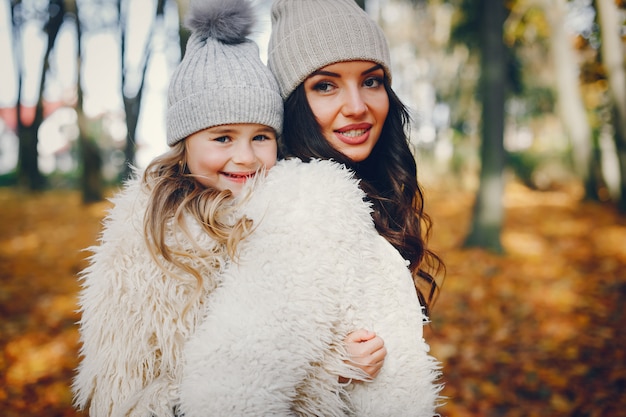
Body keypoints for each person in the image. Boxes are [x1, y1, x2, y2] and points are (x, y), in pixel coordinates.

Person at [71, 1, 383, 416]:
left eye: (261, 137)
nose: (246, 158)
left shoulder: (284, 213)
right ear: (185, 146)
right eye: (222, 138)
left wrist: (336, 366)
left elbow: (287, 345)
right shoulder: (149, 237)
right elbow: (121, 390)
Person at [179, 0, 443, 416]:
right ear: (292, 102)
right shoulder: (297, 209)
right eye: (326, 85)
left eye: (371, 81)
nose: (357, 105)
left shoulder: (365, 194)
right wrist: (329, 374)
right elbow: (234, 389)